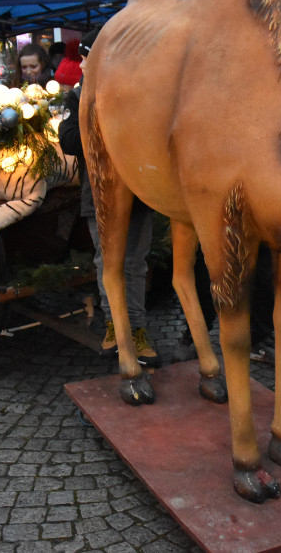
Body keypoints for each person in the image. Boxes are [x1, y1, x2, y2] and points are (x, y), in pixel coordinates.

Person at [58, 28, 160, 367]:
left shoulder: (136, 92)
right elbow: (71, 140)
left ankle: (138, 330)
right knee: (109, 264)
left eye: (88, 57)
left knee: (135, 263)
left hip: (139, 193)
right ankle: (115, 326)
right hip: (100, 197)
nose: (82, 64)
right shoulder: (78, 97)